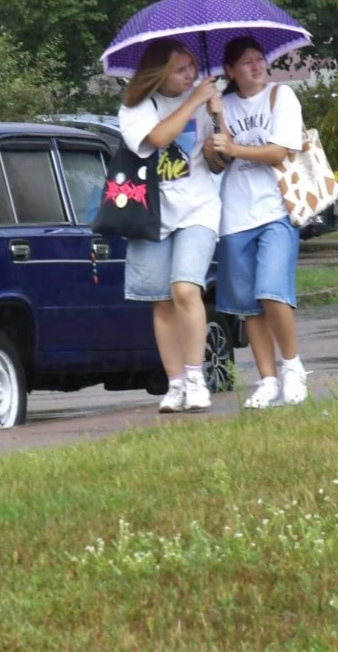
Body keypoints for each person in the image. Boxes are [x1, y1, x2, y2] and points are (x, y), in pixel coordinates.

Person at [203, 36, 308, 409]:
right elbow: (216, 160)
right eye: (246, 62)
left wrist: (235, 149)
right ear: (230, 70)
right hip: (234, 217)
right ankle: (267, 380)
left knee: (271, 291)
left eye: (260, 59)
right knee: (249, 306)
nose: (256, 66)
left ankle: (292, 367)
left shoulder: (282, 97)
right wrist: (215, 115)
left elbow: (280, 151)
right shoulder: (222, 105)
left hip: (277, 211)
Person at [118, 38, 221, 413]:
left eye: (192, 66)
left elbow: (218, 158)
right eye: (181, 69)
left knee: (184, 290)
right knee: (160, 300)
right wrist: (194, 101)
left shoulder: (202, 100)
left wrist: (218, 116)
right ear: (158, 73)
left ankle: (196, 378)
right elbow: (158, 138)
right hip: (151, 214)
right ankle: (175, 384)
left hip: (199, 209)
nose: (190, 74)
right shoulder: (135, 107)